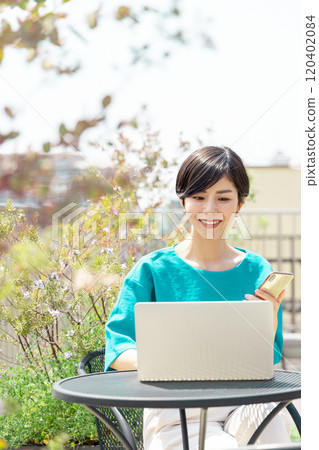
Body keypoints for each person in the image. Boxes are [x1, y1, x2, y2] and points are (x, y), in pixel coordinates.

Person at [104, 146, 292, 449]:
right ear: (183, 201)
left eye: (223, 198)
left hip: (244, 400)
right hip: (176, 408)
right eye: (199, 197)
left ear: (240, 204)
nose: (210, 209)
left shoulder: (258, 269)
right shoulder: (152, 270)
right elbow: (117, 350)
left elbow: (267, 356)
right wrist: (175, 366)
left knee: (270, 420)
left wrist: (267, 318)